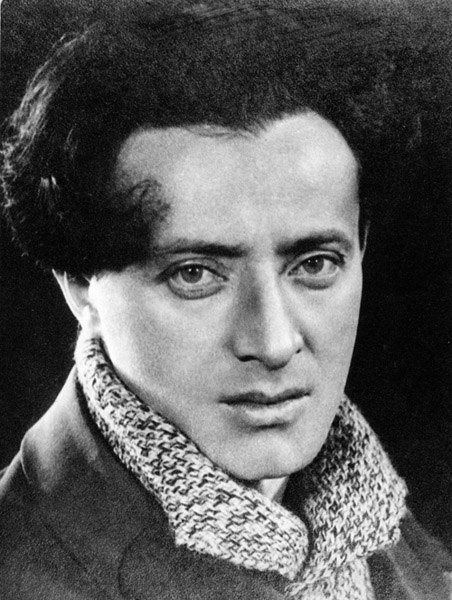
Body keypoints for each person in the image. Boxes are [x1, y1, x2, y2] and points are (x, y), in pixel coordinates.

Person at [0, 1, 450, 598]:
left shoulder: (415, 557)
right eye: (195, 275)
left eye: (315, 264)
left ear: (361, 248)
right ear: (81, 285)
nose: (274, 343)